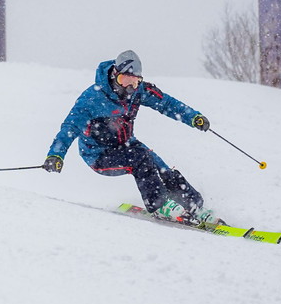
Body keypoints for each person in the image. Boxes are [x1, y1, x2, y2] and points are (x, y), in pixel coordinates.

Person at [42, 50, 218, 226]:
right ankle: (159, 205)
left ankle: (194, 206)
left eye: (134, 82)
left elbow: (167, 104)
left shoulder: (139, 91)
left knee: (160, 166)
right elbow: (70, 128)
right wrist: (56, 155)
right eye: (125, 80)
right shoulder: (92, 98)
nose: (129, 87)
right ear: (114, 75)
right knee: (140, 159)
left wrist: (193, 117)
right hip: (98, 155)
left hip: (127, 144)